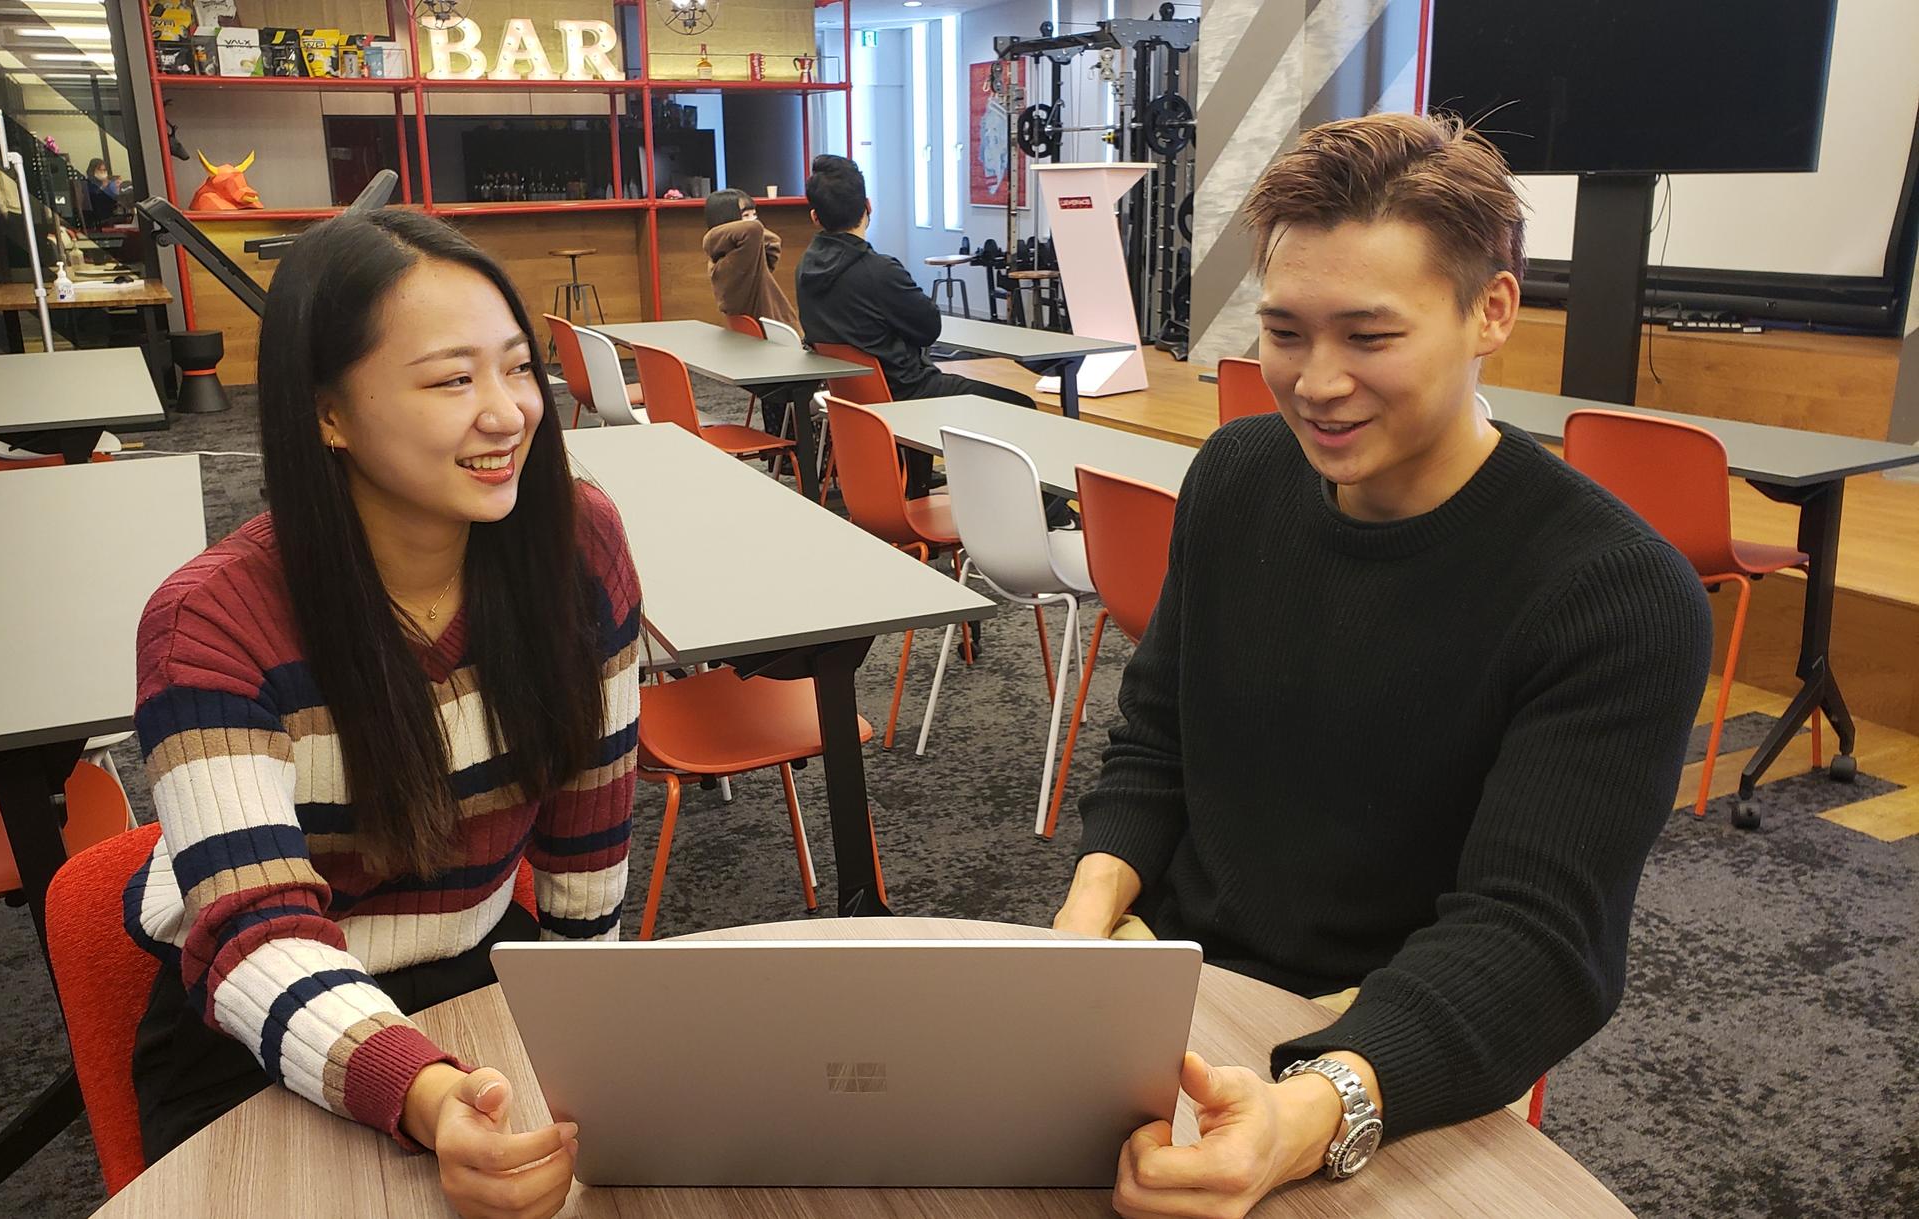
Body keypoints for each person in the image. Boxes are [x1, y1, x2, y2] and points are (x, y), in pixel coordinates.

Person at [1054, 112, 1712, 1217]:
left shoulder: (1614, 595)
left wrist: (1308, 1112)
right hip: (1169, 979)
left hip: (1381, 1039)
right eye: (1285, 332)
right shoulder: (1237, 474)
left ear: (1490, 312)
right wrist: (1084, 922)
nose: (1316, 383)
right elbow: (1158, 737)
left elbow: (1534, 938)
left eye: (1368, 336)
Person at [127, 209, 640, 1219]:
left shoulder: (575, 545)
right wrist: (428, 1095)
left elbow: (591, 833)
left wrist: (596, 1044)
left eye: (517, 367)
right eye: (452, 380)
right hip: (261, 1024)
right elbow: (257, 936)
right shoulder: (212, 621)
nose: (508, 413)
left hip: (481, 973)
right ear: (329, 413)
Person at [796, 154, 1040, 497]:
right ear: (868, 206)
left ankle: (930, 485)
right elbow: (928, 328)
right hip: (908, 393)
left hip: (856, 397)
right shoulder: (879, 271)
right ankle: (1046, 512)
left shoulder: (804, 271)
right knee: (1023, 407)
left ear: (814, 217)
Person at [702, 187, 805, 436]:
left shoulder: (734, 260)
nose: (755, 221)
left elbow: (772, 244)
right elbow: (754, 232)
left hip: (772, 354)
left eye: (755, 214)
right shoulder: (732, 263)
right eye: (746, 215)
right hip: (784, 354)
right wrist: (719, 234)